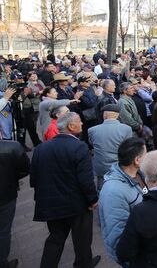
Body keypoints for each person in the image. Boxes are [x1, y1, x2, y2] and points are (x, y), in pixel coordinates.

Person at [30, 112, 101, 268]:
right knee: (82, 240)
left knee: (55, 239)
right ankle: (84, 264)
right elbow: (85, 179)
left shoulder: (41, 148)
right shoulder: (79, 147)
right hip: (77, 204)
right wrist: (93, 199)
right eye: (79, 122)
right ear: (71, 126)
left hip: (50, 203)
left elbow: (33, 179)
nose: (82, 124)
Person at [99, 138, 147, 265]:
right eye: (146, 155)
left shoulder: (140, 174)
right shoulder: (113, 192)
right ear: (137, 160)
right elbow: (117, 235)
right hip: (134, 256)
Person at [0, 137, 30, 268]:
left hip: (6, 195)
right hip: (6, 195)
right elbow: (24, 169)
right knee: (4, 230)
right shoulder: (13, 147)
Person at [88, 104, 133, 190]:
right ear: (118, 115)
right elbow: (128, 148)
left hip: (101, 167)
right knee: (121, 188)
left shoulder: (92, 130)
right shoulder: (126, 129)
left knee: (101, 189)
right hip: (119, 166)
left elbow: (92, 144)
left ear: (104, 115)